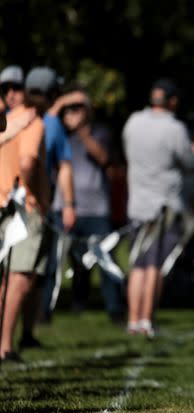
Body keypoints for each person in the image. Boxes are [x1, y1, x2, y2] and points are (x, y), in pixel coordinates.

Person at [41, 85, 124, 322]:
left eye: (79, 107)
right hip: (64, 207)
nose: (74, 112)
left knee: (105, 260)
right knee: (56, 262)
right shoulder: (58, 133)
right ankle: (45, 311)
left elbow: (104, 158)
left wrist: (83, 133)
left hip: (96, 209)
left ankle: (116, 310)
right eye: (70, 108)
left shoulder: (99, 133)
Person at [123, 78, 194, 337]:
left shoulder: (132, 122)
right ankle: (146, 320)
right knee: (155, 265)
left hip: (137, 204)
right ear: (172, 101)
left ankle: (133, 320)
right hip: (163, 205)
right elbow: (189, 162)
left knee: (138, 264)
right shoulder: (175, 128)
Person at [19, 67, 76, 349]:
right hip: (32, 206)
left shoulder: (12, 117)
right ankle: (20, 335)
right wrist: (66, 204)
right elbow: (59, 166)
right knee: (29, 274)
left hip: (11, 202)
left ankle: (22, 334)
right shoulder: (49, 123)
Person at [0, 73, 50, 362]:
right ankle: (5, 346)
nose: (10, 94)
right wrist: (38, 196)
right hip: (24, 208)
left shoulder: (14, 121)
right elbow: (27, 163)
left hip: (6, 206)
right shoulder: (33, 123)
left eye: (14, 88)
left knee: (7, 280)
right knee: (19, 279)